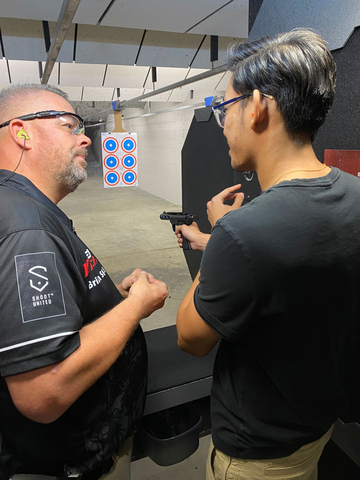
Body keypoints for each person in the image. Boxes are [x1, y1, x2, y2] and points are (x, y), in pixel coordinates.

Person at [175, 28, 360, 480]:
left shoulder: (242, 234)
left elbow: (191, 338)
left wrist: (220, 238)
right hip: (317, 427)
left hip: (256, 454)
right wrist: (224, 239)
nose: (223, 125)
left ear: (257, 107)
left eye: (224, 108)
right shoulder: (354, 193)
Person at [0, 84, 168, 480]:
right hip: (73, 463)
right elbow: (43, 392)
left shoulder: (24, 208)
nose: (85, 136)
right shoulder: (27, 229)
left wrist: (111, 300)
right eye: (68, 125)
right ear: (21, 133)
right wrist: (135, 307)